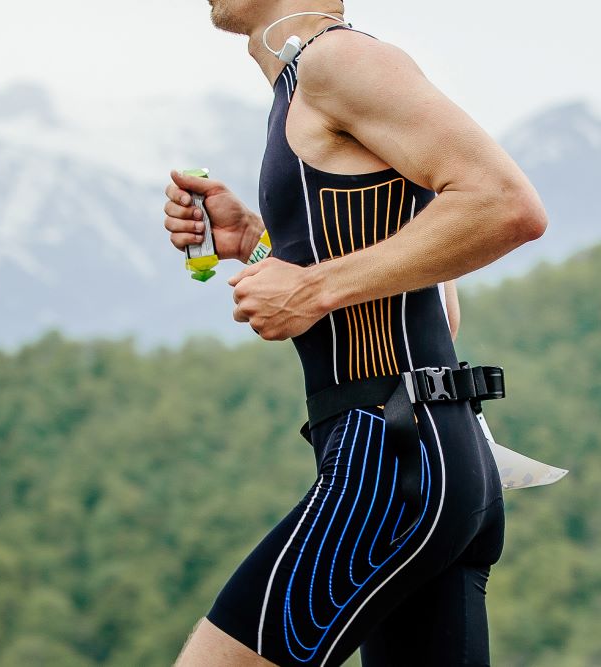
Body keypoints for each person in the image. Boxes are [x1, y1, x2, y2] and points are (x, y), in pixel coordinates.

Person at [161, 1, 548, 665]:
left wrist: (310, 287)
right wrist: (257, 244)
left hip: (391, 467)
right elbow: (434, 307)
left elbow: (506, 204)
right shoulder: (302, 85)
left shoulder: (335, 61)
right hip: (431, 460)